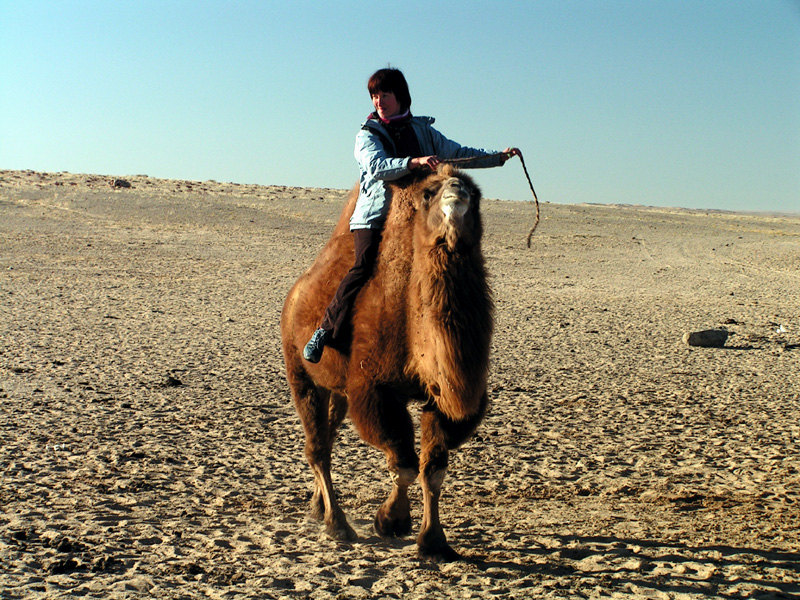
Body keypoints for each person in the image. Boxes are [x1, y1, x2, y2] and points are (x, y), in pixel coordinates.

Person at [303, 68, 520, 363]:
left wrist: (498, 157)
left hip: (416, 215)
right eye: (374, 95)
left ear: (400, 96)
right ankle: (325, 331)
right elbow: (378, 166)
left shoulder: (423, 131)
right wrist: (414, 161)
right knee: (363, 266)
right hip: (376, 216)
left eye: (385, 94)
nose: (379, 101)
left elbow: (456, 152)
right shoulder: (367, 135)